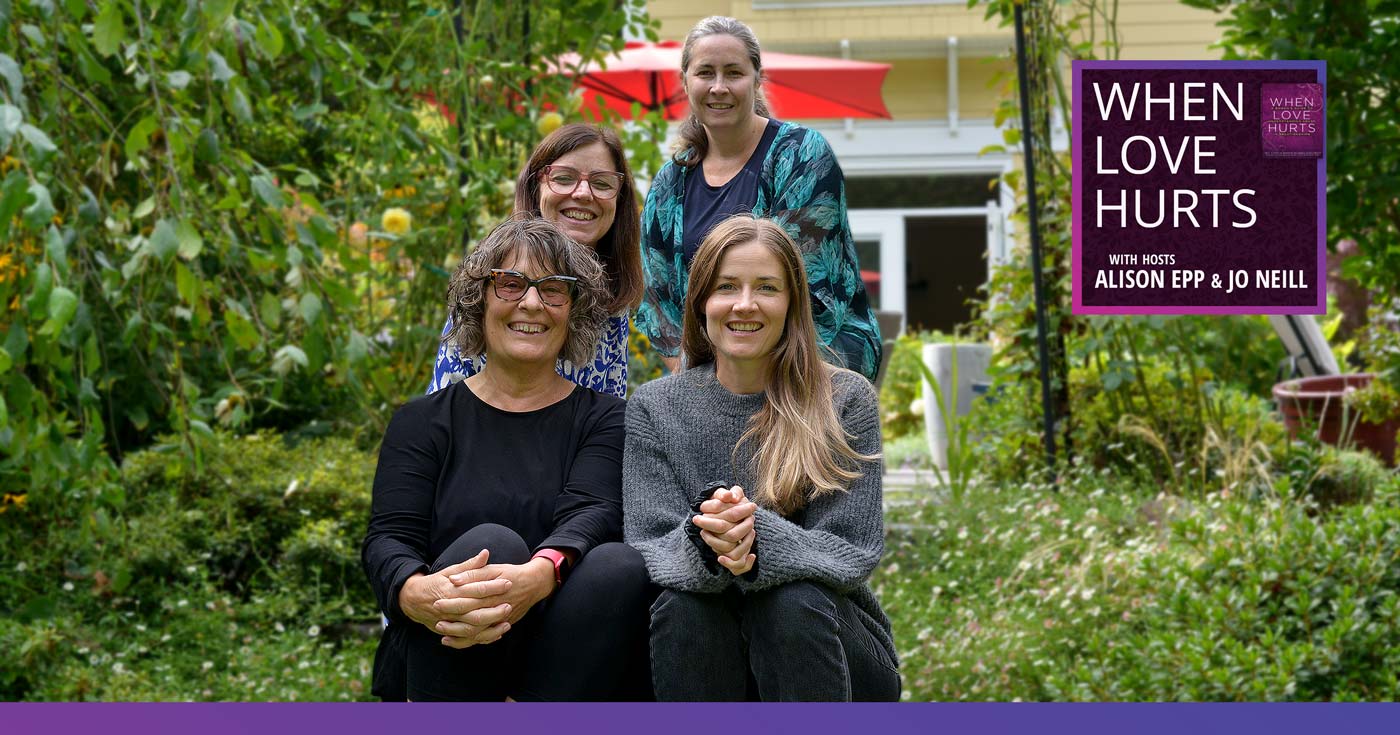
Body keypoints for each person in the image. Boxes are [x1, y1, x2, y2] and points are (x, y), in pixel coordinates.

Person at [364, 216, 650, 702]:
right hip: (448, 647)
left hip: (561, 659)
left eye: (553, 289)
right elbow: (388, 539)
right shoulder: (421, 422)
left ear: (573, 310)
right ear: (480, 302)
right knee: (492, 544)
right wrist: (413, 594)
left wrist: (539, 576)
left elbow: (593, 512)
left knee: (619, 565)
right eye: (511, 284)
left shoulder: (606, 419)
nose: (532, 303)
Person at [623, 214, 900, 701]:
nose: (745, 305)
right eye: (727, 286)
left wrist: (754, 536)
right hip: (708, 643)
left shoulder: (845, 399)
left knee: (790, 602)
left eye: (767, 288)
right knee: (682, 608)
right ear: (702, 301)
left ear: (792, 303)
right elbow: (649, 544)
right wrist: (707, 539)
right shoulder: (654, 407)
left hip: (836, 648)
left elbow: (852, 549)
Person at [635, 15, 881, 381]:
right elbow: (657, 302)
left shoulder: (801, 154)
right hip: (712, 367)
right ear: (685, 81)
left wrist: (736, 381)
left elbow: (806, 291)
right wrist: (696, 385)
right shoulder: (671, 182)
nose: (719, 87)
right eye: (705, 73)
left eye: (733, 73)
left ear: (757, 79)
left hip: (817, 354)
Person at [429, 124, 644, 397]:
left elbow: (611, 405)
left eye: (601, 183)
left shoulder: (612, 298)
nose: (582, 193)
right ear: (535, 186)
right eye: (564, 178)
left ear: (619, 199)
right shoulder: (493, 279)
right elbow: (445, 406)